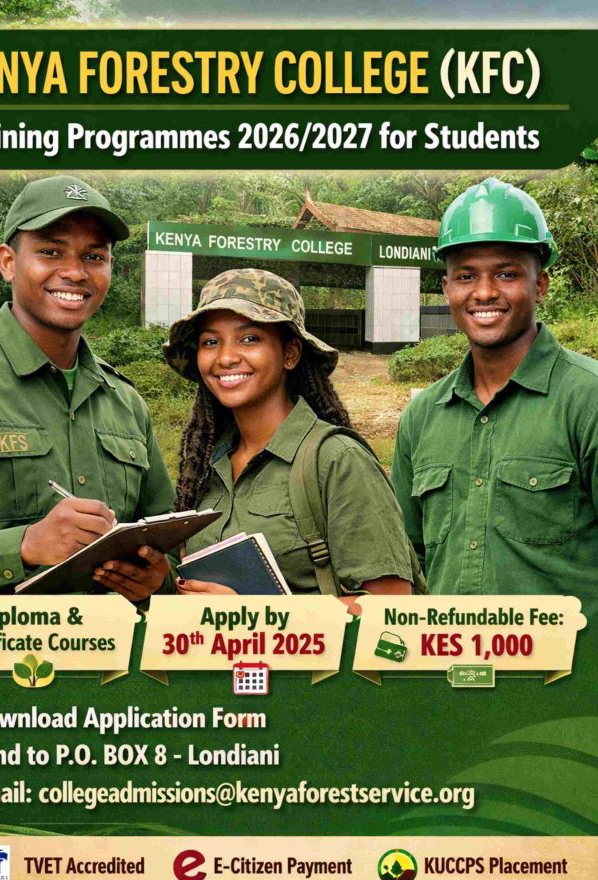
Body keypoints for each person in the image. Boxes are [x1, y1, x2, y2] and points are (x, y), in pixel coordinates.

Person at [0, 175, 174, 612]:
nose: (75, 272)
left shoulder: (126, 403)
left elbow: (166, 541)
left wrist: (157, 580)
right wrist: (23, 547)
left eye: (94, 256)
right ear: (8, 262)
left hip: (115, 668)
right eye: (51, 252)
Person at [391, 177, 598, 614]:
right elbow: (408, 563)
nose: (484, 292)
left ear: (539, 285)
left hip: (568, 676)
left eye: (506, 273)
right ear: (447, 289)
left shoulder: (587, 398)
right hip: (449, 671)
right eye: (466, 276)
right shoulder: (423, 415)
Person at [162, 267, 420, 607]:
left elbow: (390, 607)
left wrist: (249, 614)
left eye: (249, 338)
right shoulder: (204, 467)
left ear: (290, 354)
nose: (225, 357)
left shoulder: (336, 459)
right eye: (211, 342)